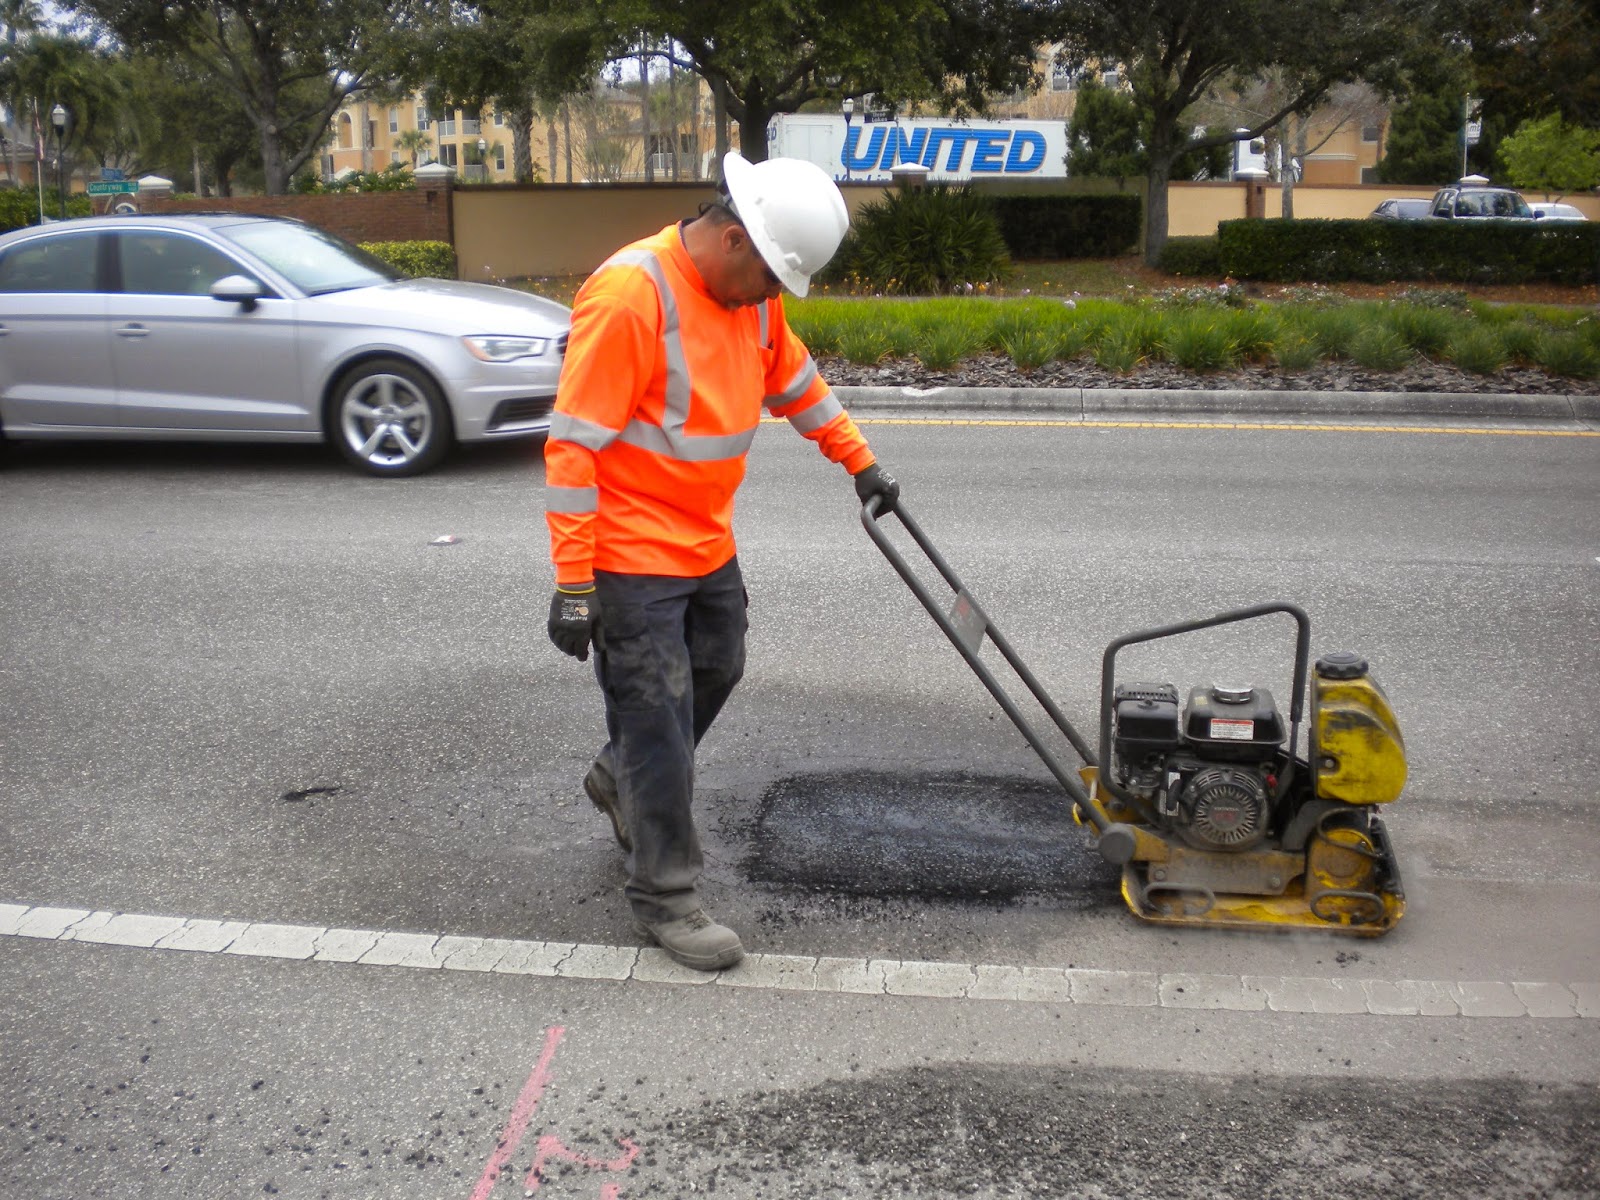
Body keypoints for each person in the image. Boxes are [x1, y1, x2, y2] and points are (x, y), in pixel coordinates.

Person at [543, 151, 900, 972]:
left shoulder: (755, 302)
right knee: (659, 724)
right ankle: (666, 895)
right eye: (772, 277)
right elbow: (573, 448)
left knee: (720, 666)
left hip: (706, 539)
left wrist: (861, 462)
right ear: (735, 239)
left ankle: (619, 776)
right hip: (631, 552)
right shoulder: (632, 295)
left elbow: (796, 382)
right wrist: (574, 580)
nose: (774, 297)